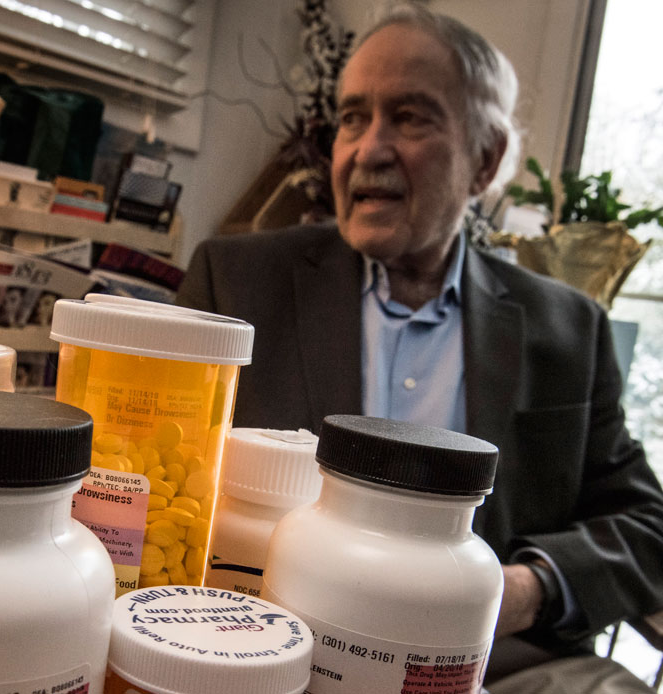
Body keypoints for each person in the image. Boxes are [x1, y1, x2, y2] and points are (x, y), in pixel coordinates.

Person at [176, 4, 663, 692]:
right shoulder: (237, 282)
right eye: (351, 118)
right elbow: (165, 481)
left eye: (409, 117)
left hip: (487, 673)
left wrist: (526, 589)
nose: (367, 150)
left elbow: (647, 523)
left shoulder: (568, 330)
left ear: (485, 161)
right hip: (268, 657)